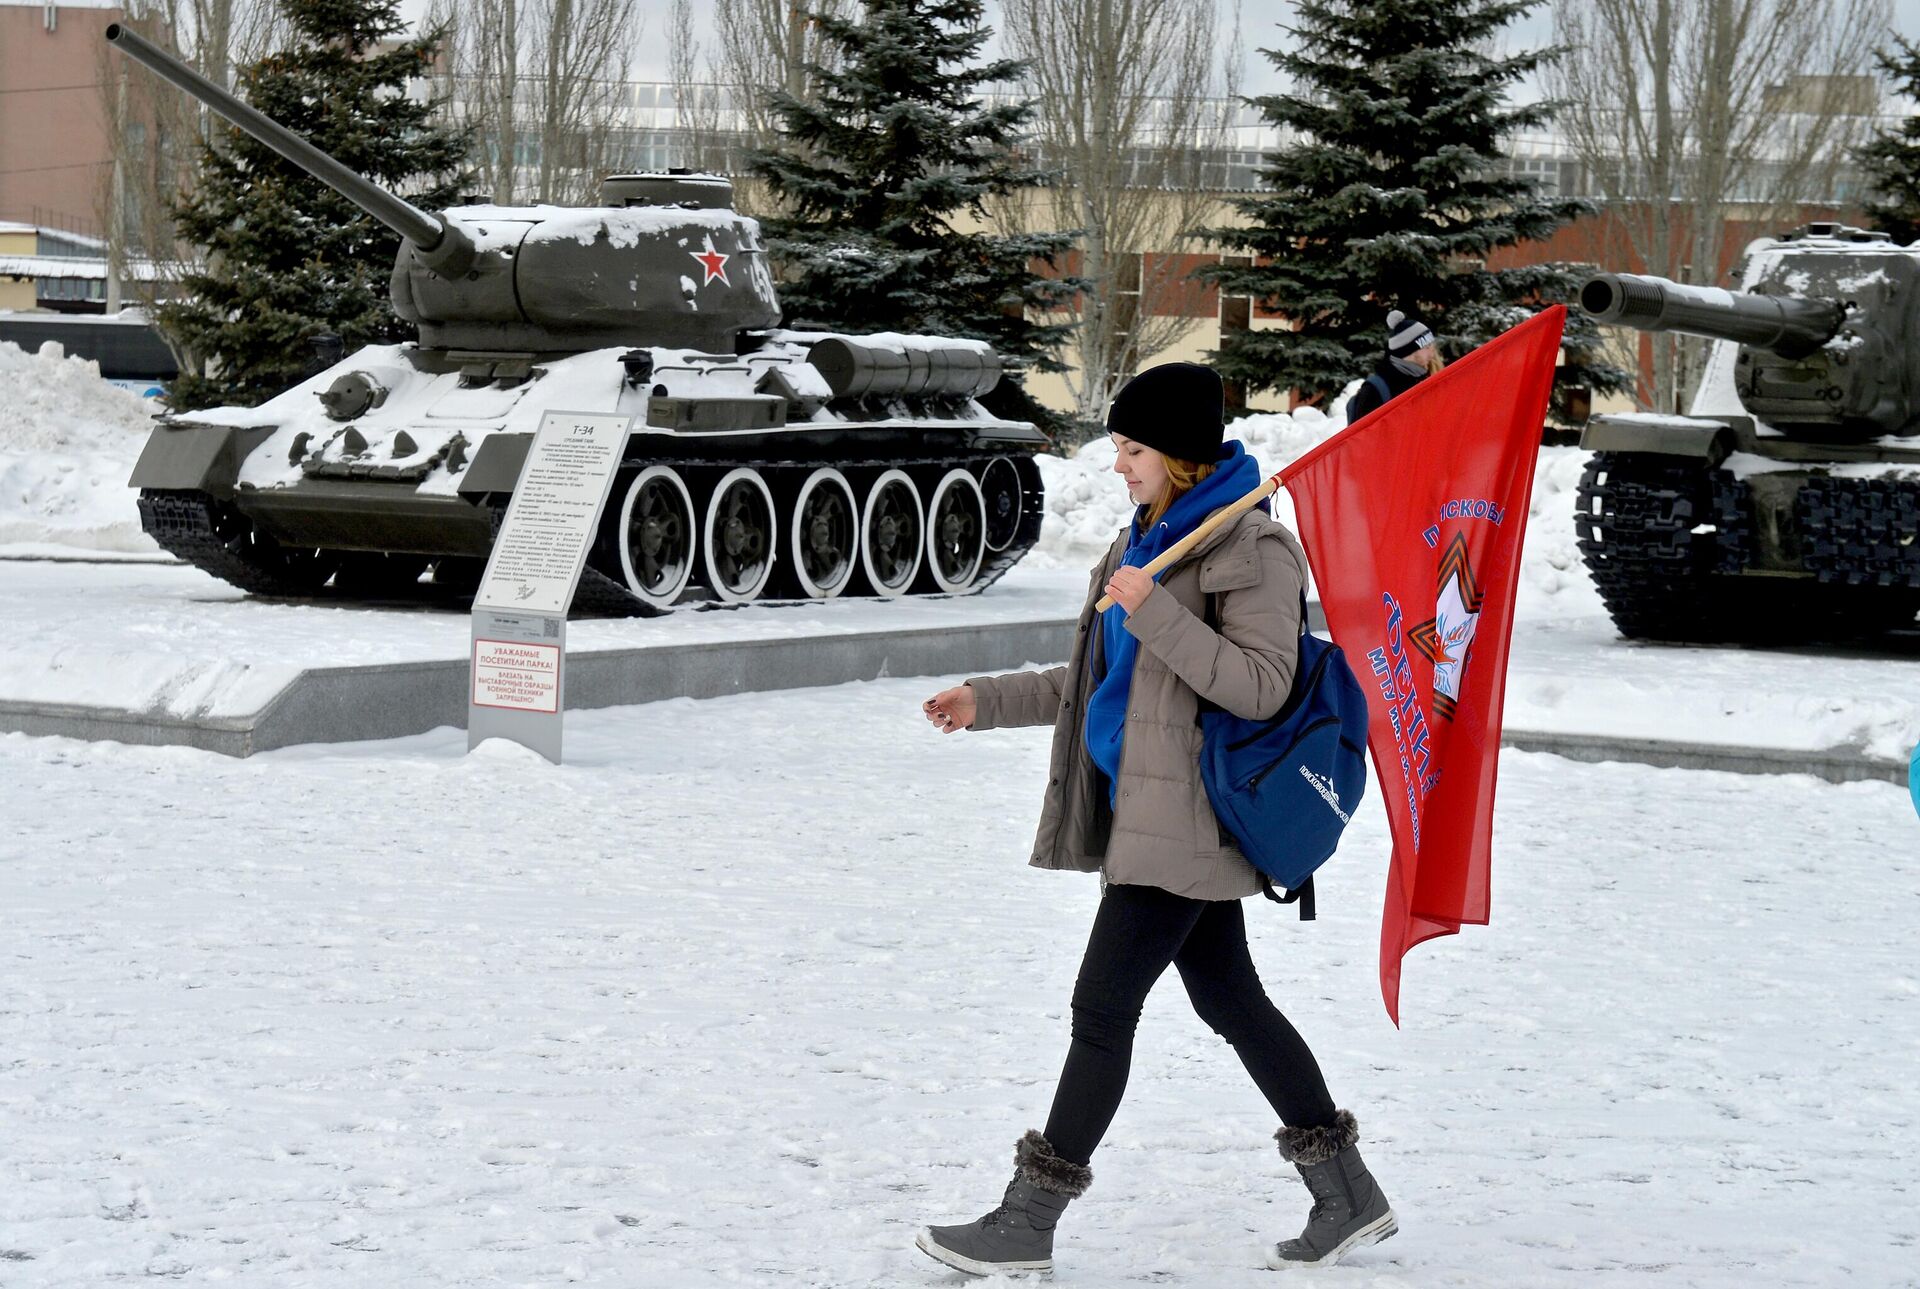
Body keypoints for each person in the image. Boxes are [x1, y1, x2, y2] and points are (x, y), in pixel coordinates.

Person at [914, 361, 1396, 1278]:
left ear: (1175, 454)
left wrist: (1157, 612)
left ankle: (1028, 1222)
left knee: (1102, 1010)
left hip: (1192, 821)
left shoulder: (1247, 548)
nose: (1118, 464)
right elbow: (1106, 683)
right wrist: (990, 698)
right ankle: (1348, 1193)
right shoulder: (1152, 536)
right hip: (1154, 811)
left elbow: (1262, 686)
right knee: (1231, 999)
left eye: (1132, 448)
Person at [1342, 308, 1443, 423]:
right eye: (1426, 347)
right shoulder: (1374, 391)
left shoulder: (1422, 379)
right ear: (1408, 351)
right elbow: (1363, 437)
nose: (1432, 352)